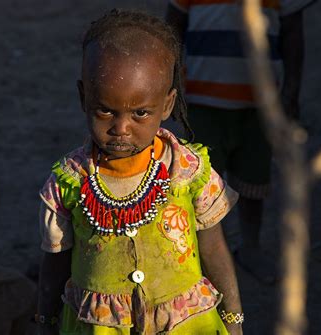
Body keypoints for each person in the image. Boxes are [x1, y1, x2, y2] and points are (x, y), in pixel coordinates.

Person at [36, 9, 243, 335]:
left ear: (167, 105)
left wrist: (233, 318)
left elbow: (214, 248)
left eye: (140, 113)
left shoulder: (187, 171)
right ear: (83, 98)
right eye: (105, 110)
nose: (121, 128)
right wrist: (45, 322)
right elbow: (55, 264)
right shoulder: (68, 183)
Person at [166, 0, 314, 284]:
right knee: (197, 182)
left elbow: (293, 31)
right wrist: (169, 85)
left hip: (261, 103)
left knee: (253, 178)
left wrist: (291, 93)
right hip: (201, 101)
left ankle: (250, 247)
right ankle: (193, 253)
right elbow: (173, 27)